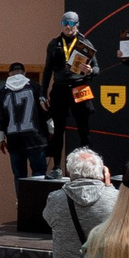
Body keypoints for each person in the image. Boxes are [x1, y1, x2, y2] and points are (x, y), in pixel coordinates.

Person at [41, 11, 100, 167]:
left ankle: (89, 167)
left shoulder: (85, 43)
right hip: (60, 89)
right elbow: (47, 70)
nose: (68, 26)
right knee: (58, 129)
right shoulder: (54, 44)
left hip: (79, 87)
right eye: (65, 23)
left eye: (72, 23)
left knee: (83, 128)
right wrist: (42, 94)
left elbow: (97, 68)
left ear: (77, 24)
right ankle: (56, 167)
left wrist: (90, 71)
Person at [0, 59, 48, 183]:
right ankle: (39, 201)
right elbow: (46, 111)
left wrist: (0, 139)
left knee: (19, 176)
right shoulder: (35, 87)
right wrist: (51, 131)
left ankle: (22, 201)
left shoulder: (3, 92)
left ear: (9, 74)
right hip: (35, 138)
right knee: (39, 175)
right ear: (24, 73)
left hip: (14, 140)